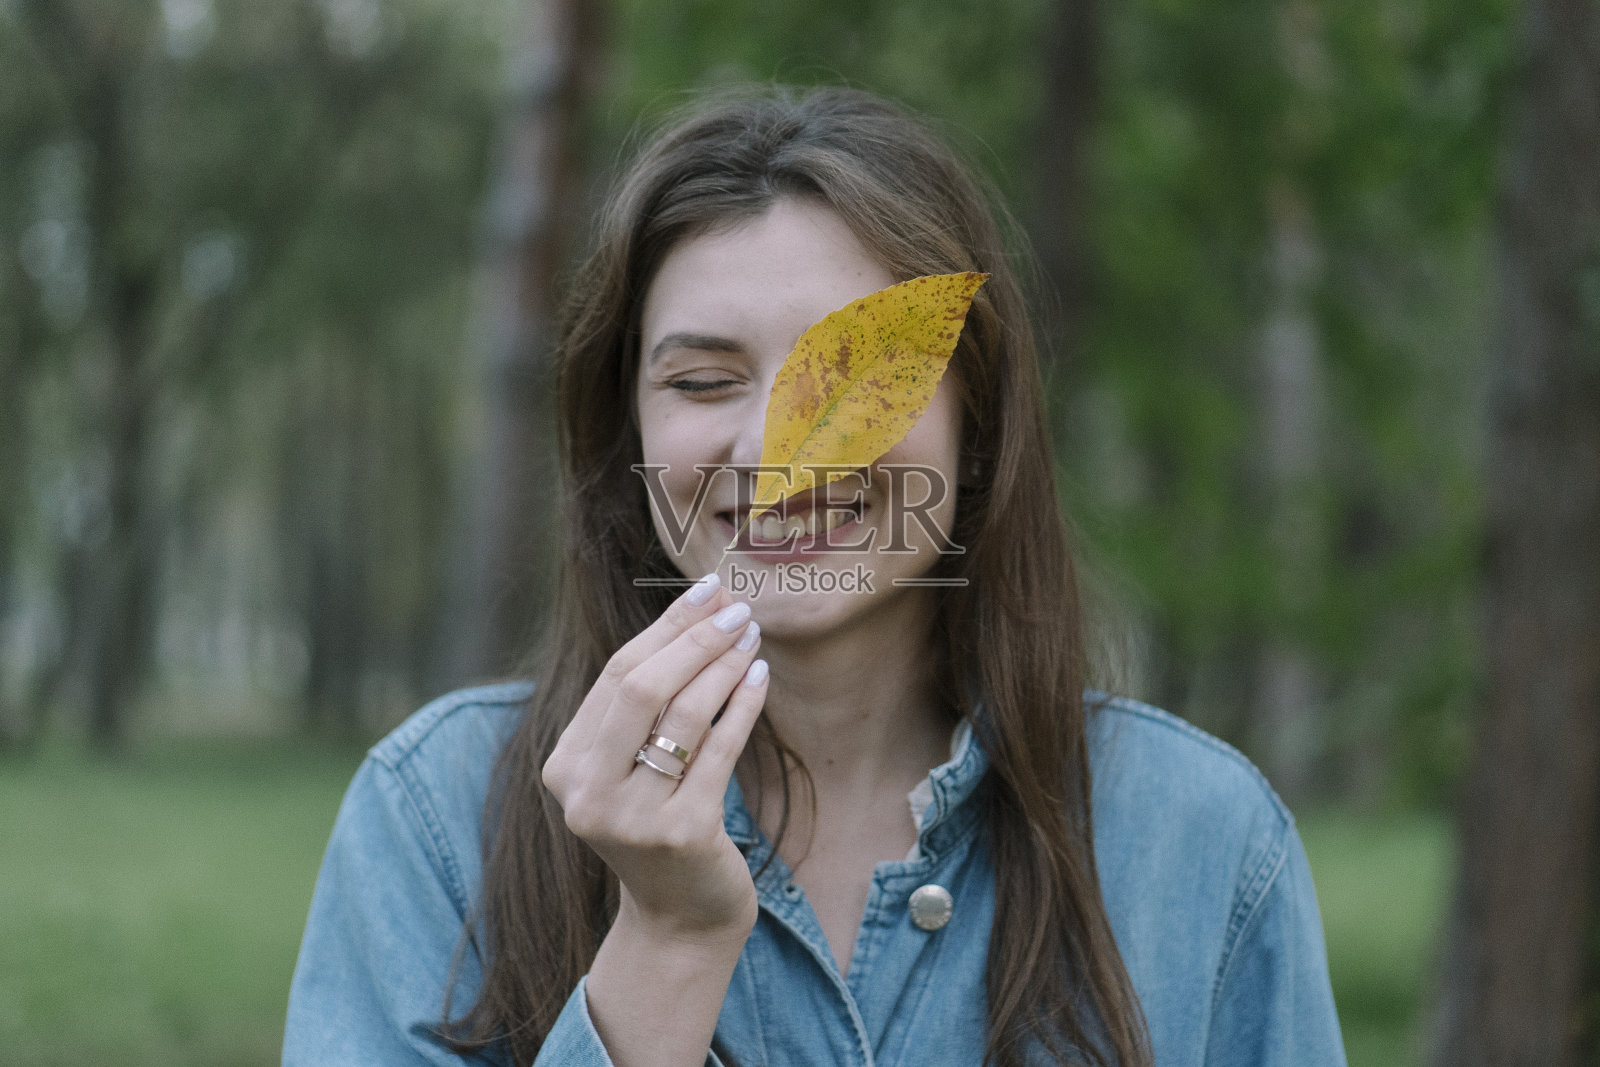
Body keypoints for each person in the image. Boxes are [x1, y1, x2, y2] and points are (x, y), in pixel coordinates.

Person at [283, 86, 1346, 1067]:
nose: (775, 450)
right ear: (630, 435)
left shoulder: (1200, 840)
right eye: (702, 379)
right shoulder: (433, 816)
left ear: (977, 426)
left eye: (859, 381)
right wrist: (667, 936)